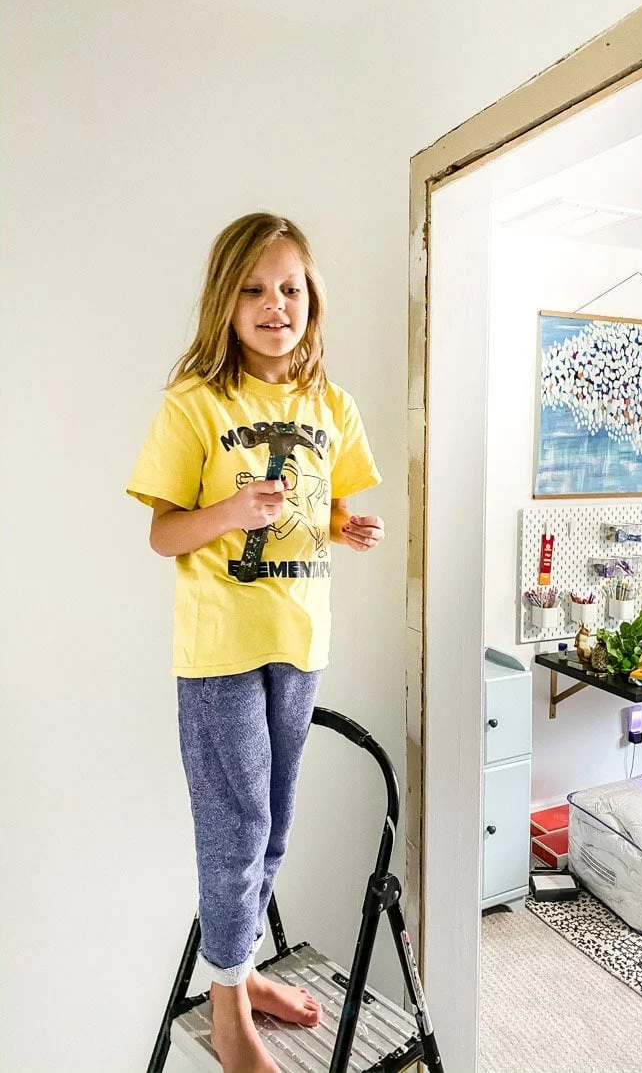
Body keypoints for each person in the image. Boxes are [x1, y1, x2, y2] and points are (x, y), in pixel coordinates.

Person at [127, 213, 384, 1073]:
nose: (275, 304)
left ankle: (238, 973)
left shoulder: (331, 405)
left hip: (301, 640)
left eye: (290, 288)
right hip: (221, 651)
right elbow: (164, 534)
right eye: (254, 288)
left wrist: (345, 526)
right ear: (225, 301)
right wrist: (230, 514)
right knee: (234, 826)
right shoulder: (196, 403)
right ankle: (231, 1005)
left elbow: (325, 505)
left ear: (312, 299)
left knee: (272, 825)